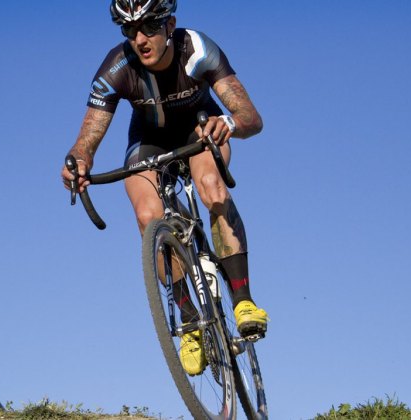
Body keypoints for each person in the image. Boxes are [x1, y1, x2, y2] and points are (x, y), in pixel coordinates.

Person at [61, 0, 268, 376]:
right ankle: (190, 322)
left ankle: (243, 301)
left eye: (150, 27)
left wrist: (229, 125)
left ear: (170, 24)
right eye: (129, 30)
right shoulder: (117, 67)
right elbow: (87, 138)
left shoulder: (197, 49)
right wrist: (78, 161)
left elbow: (252, 118)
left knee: (210, 186)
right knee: (147, 217)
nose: (140, 38)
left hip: (200, 128)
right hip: (148, 141)